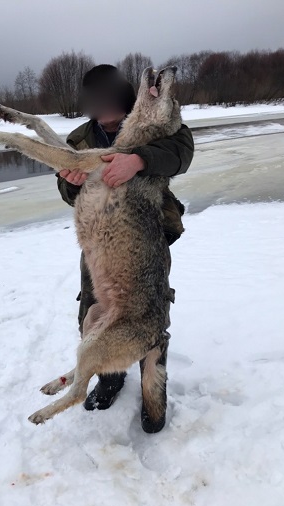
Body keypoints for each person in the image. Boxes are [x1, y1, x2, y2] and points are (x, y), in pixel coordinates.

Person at [57, 64, 194, 432]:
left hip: (145, 236)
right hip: (102, 239)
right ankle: (109, 377)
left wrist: (139, 160)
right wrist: (71, 183)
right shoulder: (81, 137)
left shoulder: (156, 123)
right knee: (95, 306)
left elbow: (182, 153)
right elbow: (67, 192)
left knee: (149, 313)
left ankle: (154, 394)